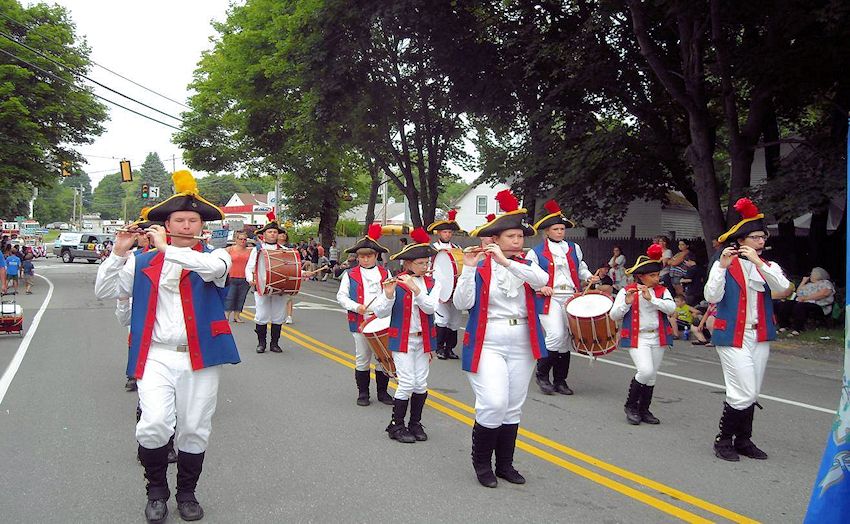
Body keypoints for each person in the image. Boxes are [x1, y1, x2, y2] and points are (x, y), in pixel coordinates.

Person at [95, 170, 241, 523]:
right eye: (180, 220)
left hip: (200, 356)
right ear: (167, 223)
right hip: (157, 354)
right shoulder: (142, 261)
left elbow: (203, 267)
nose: (187, 226)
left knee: (194, 427)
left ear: (201, 226)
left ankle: (187, 493)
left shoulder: (216, 257)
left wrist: (166, 248)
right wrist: (118, 252)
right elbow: (104, 292)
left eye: (193, 220)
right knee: (155, 424)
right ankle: (156, 491)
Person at [453, 189, 549, 488]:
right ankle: (482, 464)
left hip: (522, 340)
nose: (517, 241)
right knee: (493, 402)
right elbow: (460, 302)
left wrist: (507, 263)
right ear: (495, 239)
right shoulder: (479, 266)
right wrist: (468, 270)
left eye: (520, 237)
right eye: (510, 237)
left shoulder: (526, 267)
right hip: (489, 341)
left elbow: (542, 281)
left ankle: (505, 464)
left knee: (512, 406)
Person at [705, 198, 790, 462]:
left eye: (762, 236)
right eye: (755, 237)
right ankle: (724, 440)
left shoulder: (768, 266)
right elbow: (711, 294)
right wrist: (721, 266)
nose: (761, 241)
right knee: (743, 390)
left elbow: (784, 288)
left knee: (751, 391)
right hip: (732, 334)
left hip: (759, 333)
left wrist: (759, 263)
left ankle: (743, 439)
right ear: (741, 240)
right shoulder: (724, 265)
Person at [372, 227, 440, 443]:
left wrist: (416, 289)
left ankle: (415, 423)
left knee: (421, 383)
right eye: (420, 263)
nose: (425, 266)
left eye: (426, 263)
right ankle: (396, 425)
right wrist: (389, 295)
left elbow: (430, 308)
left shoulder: (431, 283)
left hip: (425, 339)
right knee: (407, 382)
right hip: (403, 338)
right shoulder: (396, 281)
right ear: (408, 264)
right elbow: (381, 312)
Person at [526, 200, 598, 396]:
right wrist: (541, 286)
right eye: (556, 229)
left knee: (566, 339)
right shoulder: (536, 252)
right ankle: (542, 376)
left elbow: (580, 266)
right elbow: (528, 274)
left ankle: (560, 380)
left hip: (571, 296)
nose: (560, 232)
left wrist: (589, 276)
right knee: (556, 335)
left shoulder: (574, 248)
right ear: (547, 231)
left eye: (562, 228)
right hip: (549, 298)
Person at [610, 244, 676, 425]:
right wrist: (627, 303)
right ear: (641, 276)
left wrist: (652, 299)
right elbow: (614, 315)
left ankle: (644, 409)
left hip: (658, 336)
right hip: (638, 337)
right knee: (645, 371)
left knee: (652, 375)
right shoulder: (626, 291)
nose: (656, 279)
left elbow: (671, 309)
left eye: (657, 275)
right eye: (652, 276)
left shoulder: (663, 291)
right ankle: (631, 406)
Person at [336, 224, 394, 406]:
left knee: (382, 358)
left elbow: (391, 295)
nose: (365, 259)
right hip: (360, 320)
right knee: (362, 357)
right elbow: (341, 296)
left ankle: (383, 393)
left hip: (382, 321)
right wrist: (356, 307)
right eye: (362, 256)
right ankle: (363, 393)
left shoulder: (385, 273)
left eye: (369, 256)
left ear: (376, 256)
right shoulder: (350, 274)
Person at [245, 214, 288, 353]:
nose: (273, 234)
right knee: (262, 315)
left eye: (275, 232)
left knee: (278, 316)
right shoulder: (257, 250)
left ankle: (274, 344)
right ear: (264, 234)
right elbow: (250, 267)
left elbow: (291, 268)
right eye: (270, 232)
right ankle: (261, 343)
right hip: (261, 287)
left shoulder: (285, 250)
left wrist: (301, 274)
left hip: (279, 286)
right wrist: (250, 279)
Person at [427, 209, 464, 360]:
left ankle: (450, 348)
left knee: (455, 321)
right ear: (438, 233)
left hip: (454, 290)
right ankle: (439, 347)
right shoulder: (433, 248)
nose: (447, 235)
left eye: (449, 232)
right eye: (444, 232)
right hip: (440, 289)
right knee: (442, 319)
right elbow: (429, 268)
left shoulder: (457, 249)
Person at [776, 267, 835, 336]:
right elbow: (798, 293)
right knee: (786, 304)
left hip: (819, 306)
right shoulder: (808, 285)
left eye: (812, 273)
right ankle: (784, 326)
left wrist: (806, 298)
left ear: (819, 275)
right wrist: (803, 282)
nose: (810, 275)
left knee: (800, 305)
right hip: (805, 303)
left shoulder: (825, 283)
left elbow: (824, 293)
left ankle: (798, 329)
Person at [224, 232, 251, 323]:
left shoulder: (250, 251)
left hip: (245, 278)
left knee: (241, 297)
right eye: (240, 239)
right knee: (230, 297)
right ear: (236, 240)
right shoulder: (229, 250)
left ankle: (237, 316)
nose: (243, 241)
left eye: (244, 239)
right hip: (231, 277)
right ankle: (226, 316)